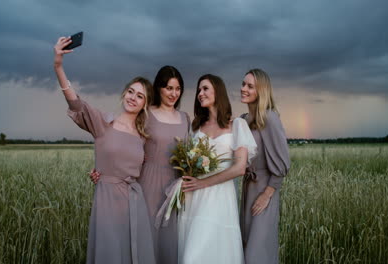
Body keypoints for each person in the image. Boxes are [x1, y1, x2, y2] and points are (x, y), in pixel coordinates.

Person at [53, 36, 156, 264]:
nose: (133, 98)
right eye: (131, 92)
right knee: (109, 254)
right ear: (124, 94)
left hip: (134, 202)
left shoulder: (143, 136)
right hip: (107, 202)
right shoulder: (103, 123)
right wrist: (58, 66)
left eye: (140, 96)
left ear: (144, 104)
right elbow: (76, 104)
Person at [89, 66, 189, 264]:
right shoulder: (146, 114)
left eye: (177, 89)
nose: (173, 93)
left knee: (169, 242)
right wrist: (104, 170)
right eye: (169, 88)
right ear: (158, 88)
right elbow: (123, 144)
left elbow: (187, 153)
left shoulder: (185, 118)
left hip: (174, 188)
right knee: (144, 241)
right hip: (146, 185)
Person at [180, 74, 257, 264]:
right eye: (199, 90)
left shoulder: (237, 125)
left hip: (220, 198)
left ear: (218, 91)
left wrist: (203, 182)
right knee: (191, 254)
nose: (200, 93)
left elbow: (240, 168)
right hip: (194, 197)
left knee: (213, 252)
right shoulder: (196, 127)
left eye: (205, 88)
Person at [239, 69, 290, 264]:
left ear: (262, 91)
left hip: (264, 190)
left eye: (250, 86)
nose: (244, 89)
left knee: (257, 251)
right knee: (246, 246)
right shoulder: (244, 119)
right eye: (243, 84)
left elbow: (283, 163)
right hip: (247, 188)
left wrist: (267, 194)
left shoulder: (269, 118)